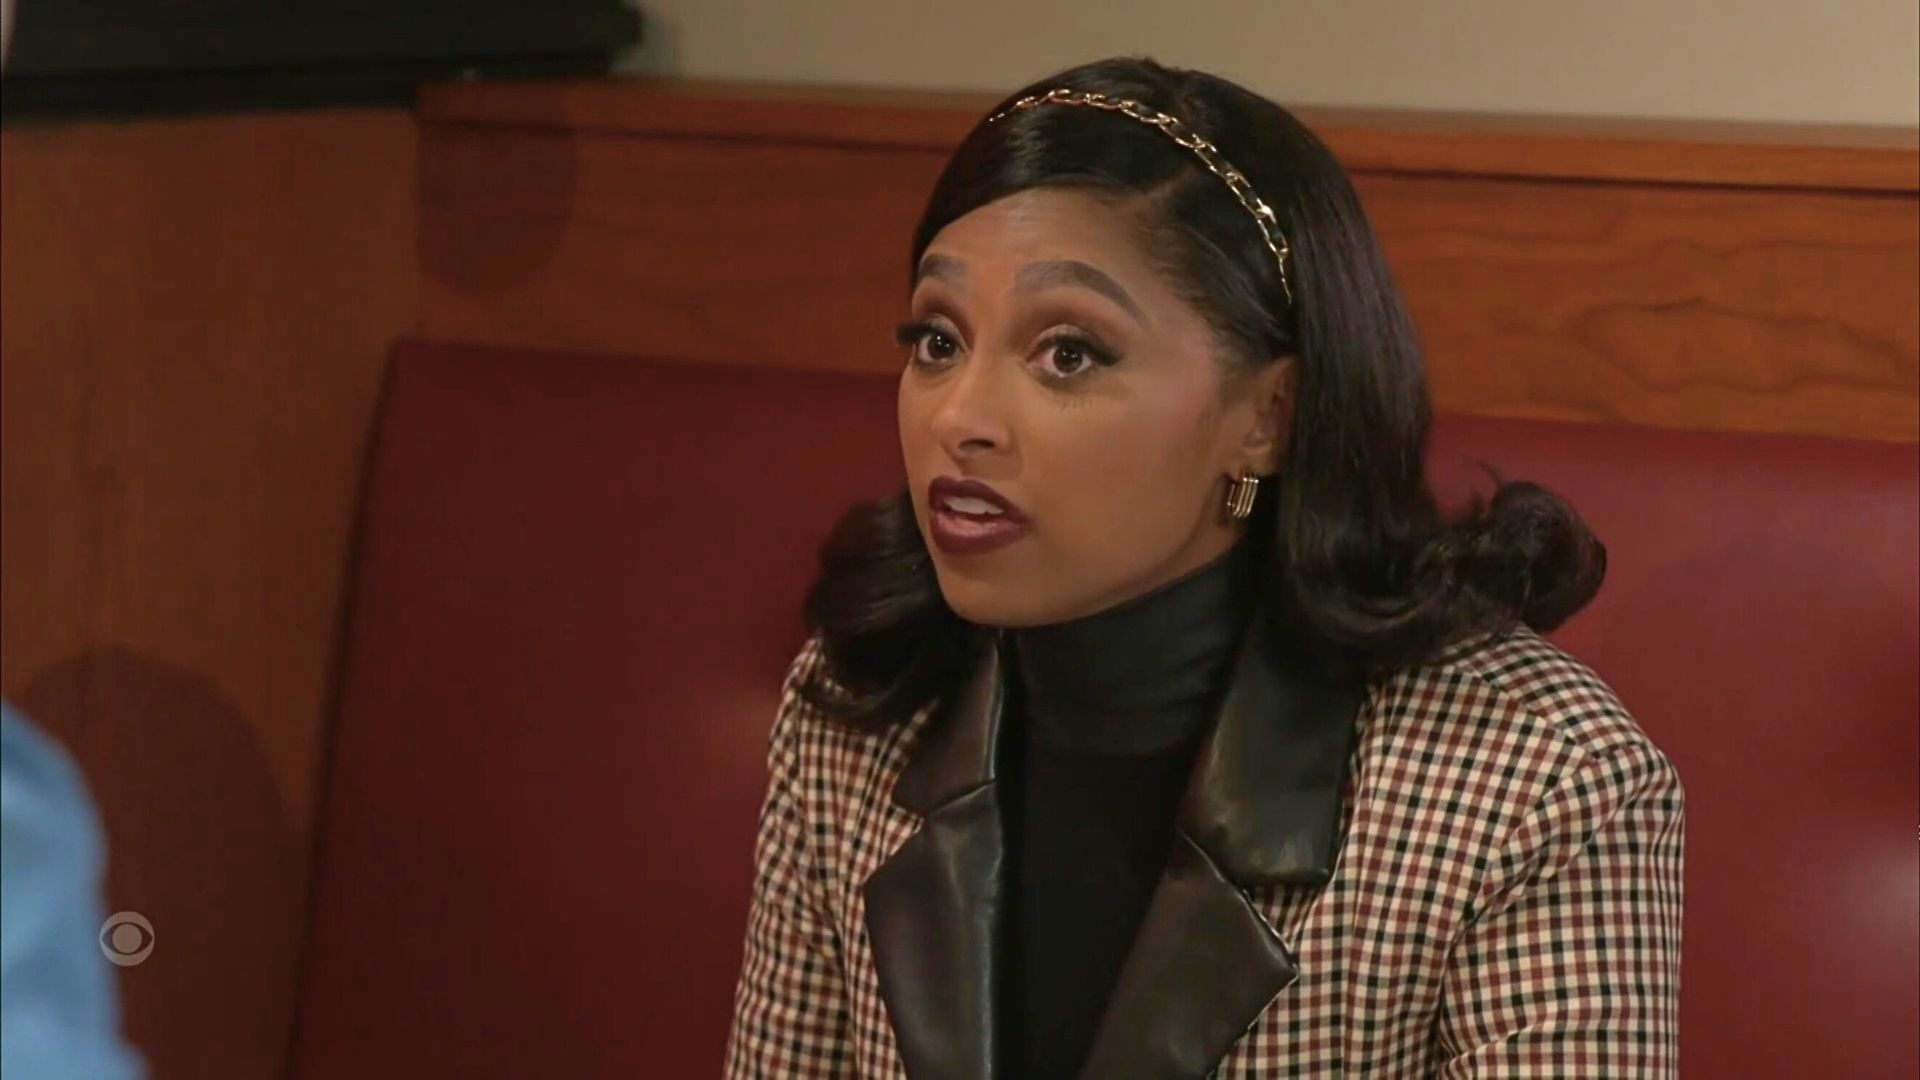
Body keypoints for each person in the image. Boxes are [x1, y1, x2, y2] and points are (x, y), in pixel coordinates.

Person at [723, 56, 1684, 1079]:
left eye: (1068, 353)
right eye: (937, 340)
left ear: (1266, 417)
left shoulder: (1537, 780)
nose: (959, 417)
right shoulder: (857, 706)